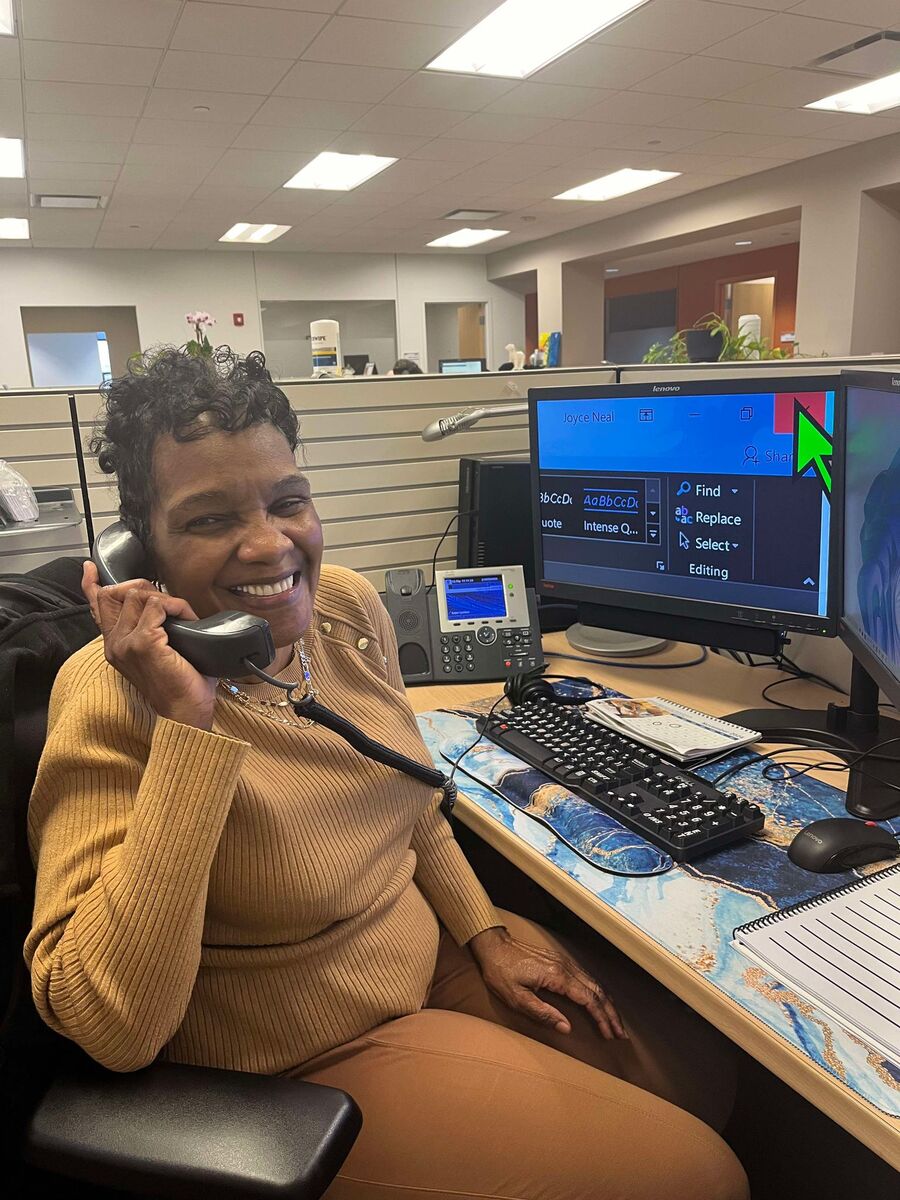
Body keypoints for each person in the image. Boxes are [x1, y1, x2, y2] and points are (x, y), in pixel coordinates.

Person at [25, 347, 748, 1200]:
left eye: (287, 502)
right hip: (298, 1052)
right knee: (699, 1177)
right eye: (210, 519)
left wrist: (483, 932)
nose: (269, 544)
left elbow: (408, 798)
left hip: (424, 956)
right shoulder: (109, 693)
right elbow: (109, 1025)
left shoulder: (345, 609)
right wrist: (190, 725)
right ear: (138, 551)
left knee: (712, 1079)